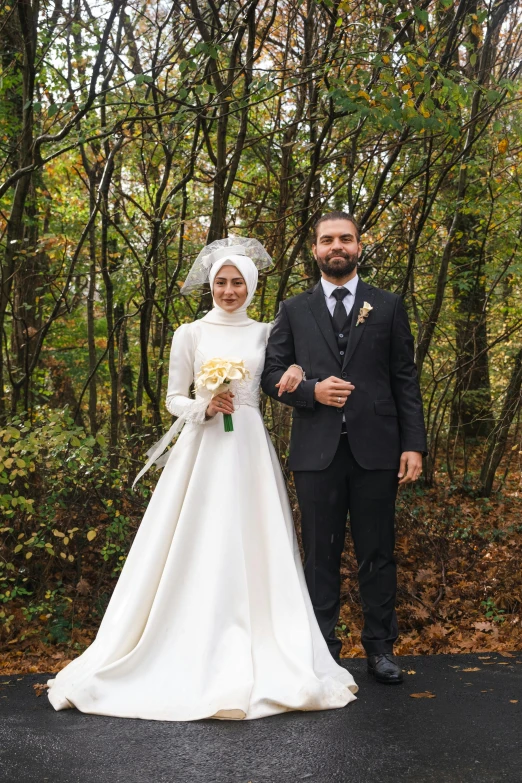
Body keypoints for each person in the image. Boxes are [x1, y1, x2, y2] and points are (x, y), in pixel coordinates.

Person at [46, 237, 358, 721]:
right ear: (210, 285)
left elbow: (280, 376)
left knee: (255, 540)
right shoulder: (188, 333)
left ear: (250, 286)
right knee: (197, 537)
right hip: (204, 447)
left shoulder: (267, 331)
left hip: (249, 445)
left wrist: (294, 372)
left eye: (237, 282)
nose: (229, 290)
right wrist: (204, 406)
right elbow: (173, 397)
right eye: (221, 282)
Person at [262, 212, 427, 684]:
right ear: (314, 249)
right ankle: (322, 651)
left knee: (378, 552)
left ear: (359, 246)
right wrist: (309, 391)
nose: (337, 246)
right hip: (316, 452)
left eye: (346, 239)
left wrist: (413, 443)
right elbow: (271, 375)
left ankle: (380, 649)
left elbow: (404, 378)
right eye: (327, 239)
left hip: (378, 449)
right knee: (319, 555)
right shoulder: (295, 309)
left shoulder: (388, 305)